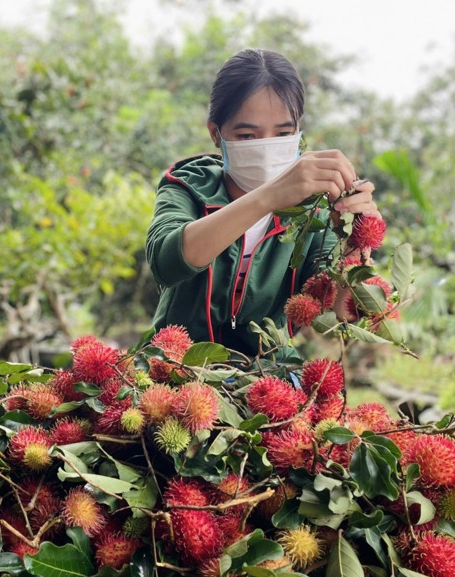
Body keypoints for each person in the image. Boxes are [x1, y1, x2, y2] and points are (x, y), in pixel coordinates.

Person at [145, 48, 381, 359]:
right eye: (247, 136)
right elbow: (167, 262)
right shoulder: (188, 184)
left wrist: (355, 241)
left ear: (297, 134)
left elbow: (340, 311)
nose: (267, 147)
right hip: (175, 369)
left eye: (283, 133)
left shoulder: (315, 210)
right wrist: (271, 196)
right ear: (216, 134)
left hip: (269, 378)